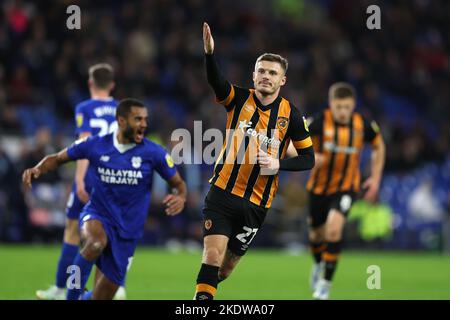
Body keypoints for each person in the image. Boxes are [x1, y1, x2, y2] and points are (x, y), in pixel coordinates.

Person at [194, 23, 315, 300]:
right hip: (222, 193)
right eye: (261, 71)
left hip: (256, 204)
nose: (266, 76)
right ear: (254, 74)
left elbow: (308, 158)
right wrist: (210, 54)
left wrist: (277, 163)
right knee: (211, 256)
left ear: (282, 81)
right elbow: (217, 82)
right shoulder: (239, 99)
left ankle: (209, 287)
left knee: (224, 270)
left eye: (272, 73)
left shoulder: (292, 116)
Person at [24, 98, 187, 300]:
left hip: (128, 231)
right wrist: (38, 168)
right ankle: (70, 296)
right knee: (94, 244)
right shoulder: (96, 144)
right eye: (138, 119)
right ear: (121, 120)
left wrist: (181, 196)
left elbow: (178, 183)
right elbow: (58, 158)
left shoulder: (154, 153)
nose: (144, 124)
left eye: (145, 119)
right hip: (98, 214)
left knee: (101, 298)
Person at [35, 63, 125, 300]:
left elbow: (84, 145)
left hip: (90, 175)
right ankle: (114, 287)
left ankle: (60, 288)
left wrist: (79, 179)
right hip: (115, 178)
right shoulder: (121, 109)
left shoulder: (84, 107)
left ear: (90, 83)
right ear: (112, 85)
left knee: (73, 232)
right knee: (106, 237)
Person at [301, 82, 385, 299]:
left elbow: (379, 145)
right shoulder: (320, 122)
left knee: (334, 230)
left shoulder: (362, 125)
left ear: (353, 105)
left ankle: (325, 285)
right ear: (331, 104)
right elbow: (296, 141)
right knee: (316, 236)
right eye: (339, 107)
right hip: (319, 187)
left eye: (347, 107)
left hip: (347, 187)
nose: (343, 112)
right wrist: (310, 156)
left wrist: (375, 179)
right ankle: (319, 264)